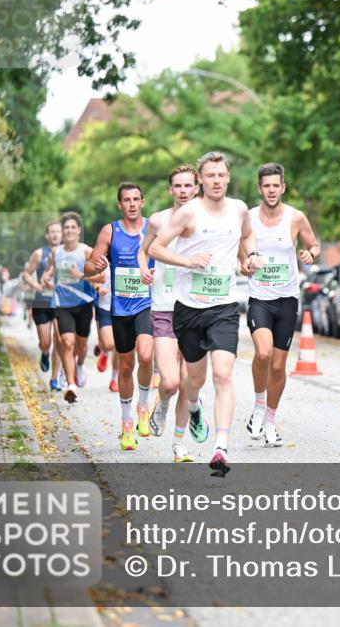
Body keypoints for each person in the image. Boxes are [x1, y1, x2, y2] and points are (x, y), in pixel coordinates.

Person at [150, 151, 253, 476]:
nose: (217, 180)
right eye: (210, 176)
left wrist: (250, 258)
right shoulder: (188, 214)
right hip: (189, 309)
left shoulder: (238, 209)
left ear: (228, 177)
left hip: (224, 307)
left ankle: (220, 447)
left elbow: (247, 237)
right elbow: (154, 248)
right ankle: (193, 407)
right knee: (193, 380)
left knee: (223, 374)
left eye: (221, 175)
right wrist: (188, 262)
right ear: (201, 180)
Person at [242, 163, 320, 447]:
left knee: (278, 366)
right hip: (260, 298)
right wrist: (246, 266)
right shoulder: (248, 219)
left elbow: (315, 245)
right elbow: (242, 259)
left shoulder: (295, 217)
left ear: (283, 187)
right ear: (259, 188)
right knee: (262, 354)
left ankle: (272, 422)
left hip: (287, 300)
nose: (271, 190)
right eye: (267, 185)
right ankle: (258, 407)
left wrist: (310, 254)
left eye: (276, 185)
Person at [85, 182, 157, 452]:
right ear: (119, 204)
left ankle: (144, 405)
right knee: (126, 366)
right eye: (126, 200)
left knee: (147, 356)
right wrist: (97, 265)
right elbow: (89, 267)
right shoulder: (110, 231)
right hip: (120, 308)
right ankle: (127, 423)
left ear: (143, 202)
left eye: (136, 199)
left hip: (146, 302)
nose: (131, 204)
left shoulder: (153, 228)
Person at [137, 164, 199, 463]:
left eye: (189, 185)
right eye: (179, 186)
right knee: (171, 382)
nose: (184, 191)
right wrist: (142, 269)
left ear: (196, 188)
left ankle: (178, 443)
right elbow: (144, 249)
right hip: (164, 308)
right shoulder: (159, 220)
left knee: (189, 384)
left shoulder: (207, 220)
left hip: (198, 309)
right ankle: (161, 405)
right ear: (170, 189)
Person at [41, 212, 96, 402]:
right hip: (63, 304)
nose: (69, 230)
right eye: (66, 227)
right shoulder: (56, 252)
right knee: (66, 343)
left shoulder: (87, 251)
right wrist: (47, 277)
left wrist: (80, 275)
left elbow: (102, 277)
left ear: (79, 230)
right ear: (63, 231)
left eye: (73, 227)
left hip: (84, 304)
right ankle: (71, 386)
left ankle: (80, 365)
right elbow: (50, 270)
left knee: (81, 346)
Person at [22, 221, 63, 388]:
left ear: (62, 235)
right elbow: (26, 274)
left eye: (57, 232)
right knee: (46, 342)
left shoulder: (67, 252)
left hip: (61, 302)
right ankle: (45, 353)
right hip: (41, 302)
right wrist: (36, 286)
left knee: (59, 340)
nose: (55, 234)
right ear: (47, 235)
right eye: (51, 232)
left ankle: (54, 378)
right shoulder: (39, 254)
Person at [93, 266, 119, 391]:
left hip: (123, 308)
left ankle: (114, 379)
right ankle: (105, 351)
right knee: (109, 344)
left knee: (120, 347)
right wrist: (98, 288)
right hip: (105, 306)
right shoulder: (104, 260)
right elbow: (91, 277)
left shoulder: (130, 256)